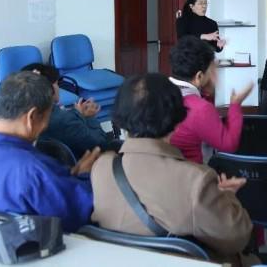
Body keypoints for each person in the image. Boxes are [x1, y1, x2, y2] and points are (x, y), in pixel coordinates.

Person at [91, 73, 253, 264]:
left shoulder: (102, 167)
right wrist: (226, 197)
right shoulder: (195, 180)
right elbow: (237, 238)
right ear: (176, 120)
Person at [0, 72, 98, 232]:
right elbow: (77, 214)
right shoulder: (32, 169)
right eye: (47, 117)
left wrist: (69, 178)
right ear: (32, 117)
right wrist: (84, 176)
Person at [169, 35, 253, 163]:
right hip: (191, 177)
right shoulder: (199, 109)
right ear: (199, 76)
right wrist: (235, 105)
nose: (215, 76)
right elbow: (228, 145)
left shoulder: (157, 93)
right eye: (212, 71)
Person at [22, 63, 117, 159]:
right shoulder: (65, 120)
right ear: (50, 88)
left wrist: (78, 113)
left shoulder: (21, 116)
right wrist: (89, 117)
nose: (58, 88)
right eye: (56, 84)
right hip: (81, 166)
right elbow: (101, 145)